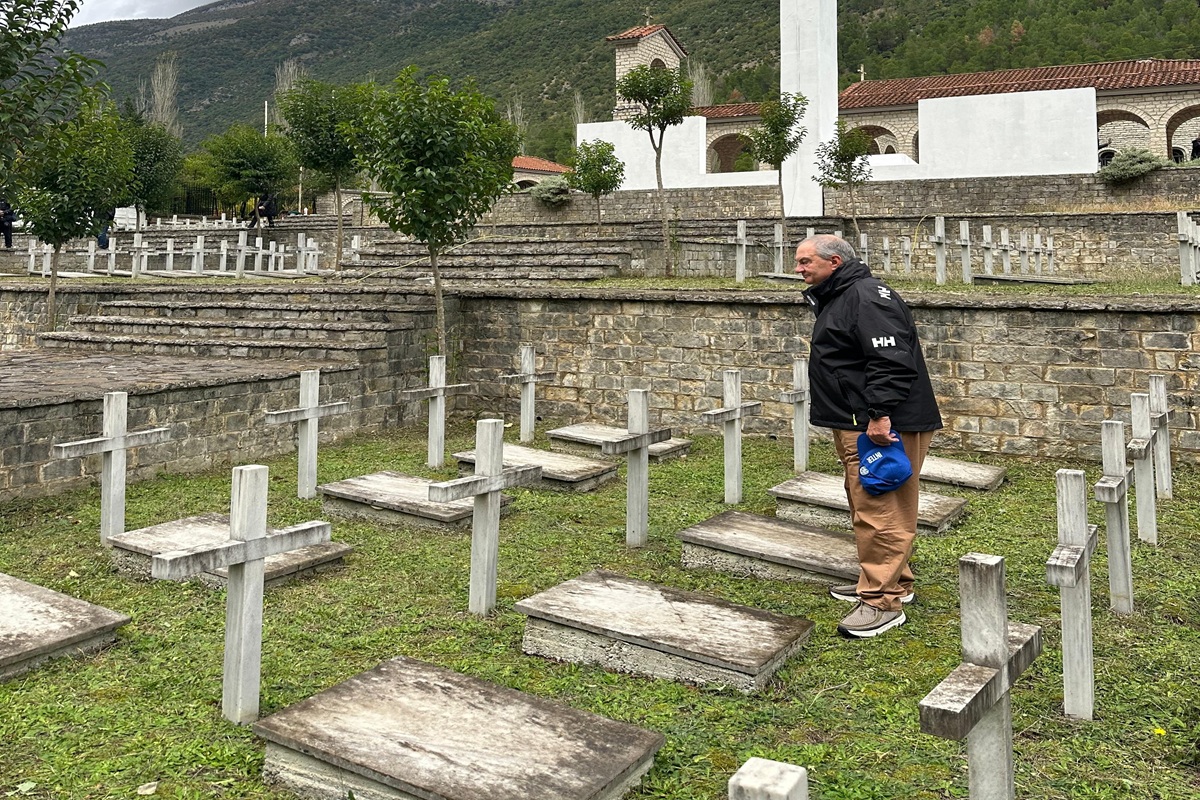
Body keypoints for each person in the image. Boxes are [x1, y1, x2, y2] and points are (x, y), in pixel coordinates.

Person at [794, 234, 942, 639]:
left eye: (806, 261)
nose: (798, 269)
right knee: (872, 503)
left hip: (878, 422)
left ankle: (881, 601)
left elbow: (890, 359)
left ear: (835, 261)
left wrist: (879, 415)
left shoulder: (866, 297)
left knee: (882, 509)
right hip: (859, 417)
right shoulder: (844, 294)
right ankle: (894, 580)